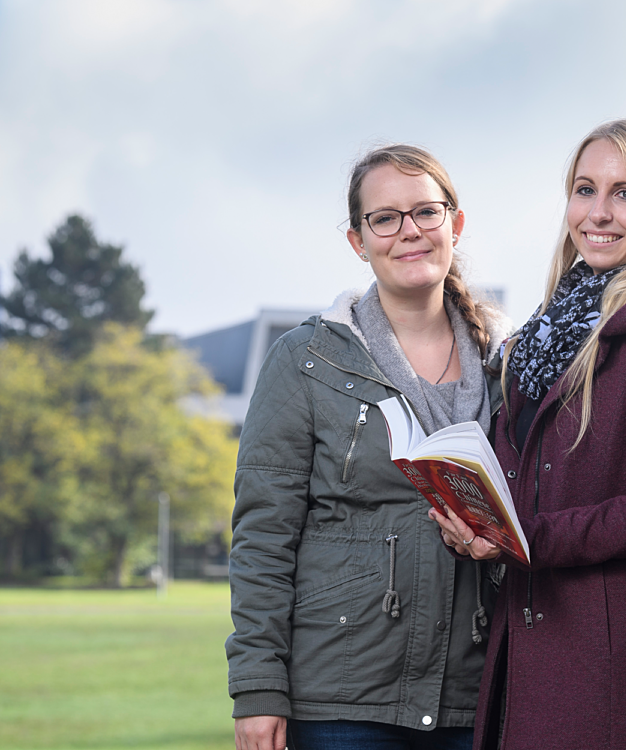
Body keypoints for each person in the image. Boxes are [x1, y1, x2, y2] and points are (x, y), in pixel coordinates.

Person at [436, 119, 626, 750]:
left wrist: (522, 539)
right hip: (531, 643)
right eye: (585, 189)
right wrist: (475, 520)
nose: (599, 212)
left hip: (615, 667)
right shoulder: (542, 335)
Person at [226, 144, 509, 750]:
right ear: (358, 240)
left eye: (426, 212)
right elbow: (263, 537)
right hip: (341, 693)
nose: (409, 231)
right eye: (385, 218)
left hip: (475, 688)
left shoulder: (506, 364)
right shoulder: (307, 360)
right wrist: (257, 688)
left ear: (454, 225)